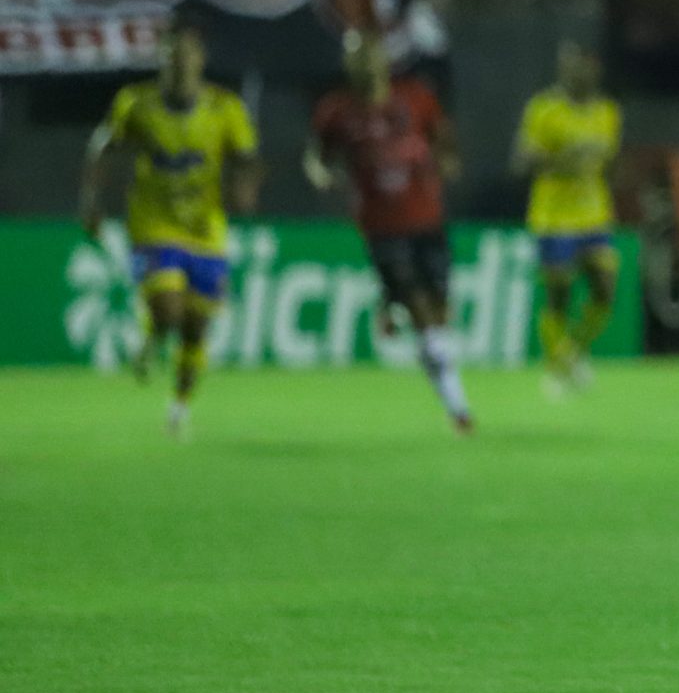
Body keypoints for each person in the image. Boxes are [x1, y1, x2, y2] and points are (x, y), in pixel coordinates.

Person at [79, 24, 262, 439]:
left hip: (206, 228)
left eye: (188, 54)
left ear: (201, 59)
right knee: (169, 309)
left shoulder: (225, 108)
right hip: (153, 224)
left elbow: (247, 156)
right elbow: (103, 148)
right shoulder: (136, 104)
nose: (180, 62)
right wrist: (91, 203)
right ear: (161, 59)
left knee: (196, 328)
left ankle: (178, 408)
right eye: (171, 54)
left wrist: (246, 185)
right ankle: (152, 333)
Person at [307, 30, 473, 434]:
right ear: (348, 66)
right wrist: (321, 172)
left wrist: (448, 161)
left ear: (382, 60)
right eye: (355, 58)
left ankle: (390, 302)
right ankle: (458, 406)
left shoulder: (415, 97)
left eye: (369, 56)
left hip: (427, 219)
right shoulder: (336, 111)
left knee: (439, 310)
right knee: (423, 315)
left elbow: (443, 139)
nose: (363, 65)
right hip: (381, 227)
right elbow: (316, 154)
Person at [513, 42, 623, 395]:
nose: (576, 73)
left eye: (582, 66)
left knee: (605, 289)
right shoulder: (544, 109)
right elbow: (521, 162)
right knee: (559, 294)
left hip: (594, 215)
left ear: (594, 70)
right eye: (569, 66)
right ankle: (558, 365)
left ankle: (571, 354)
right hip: (553, 217)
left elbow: (610, 162)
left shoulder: (607, 112)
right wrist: (564, 159)